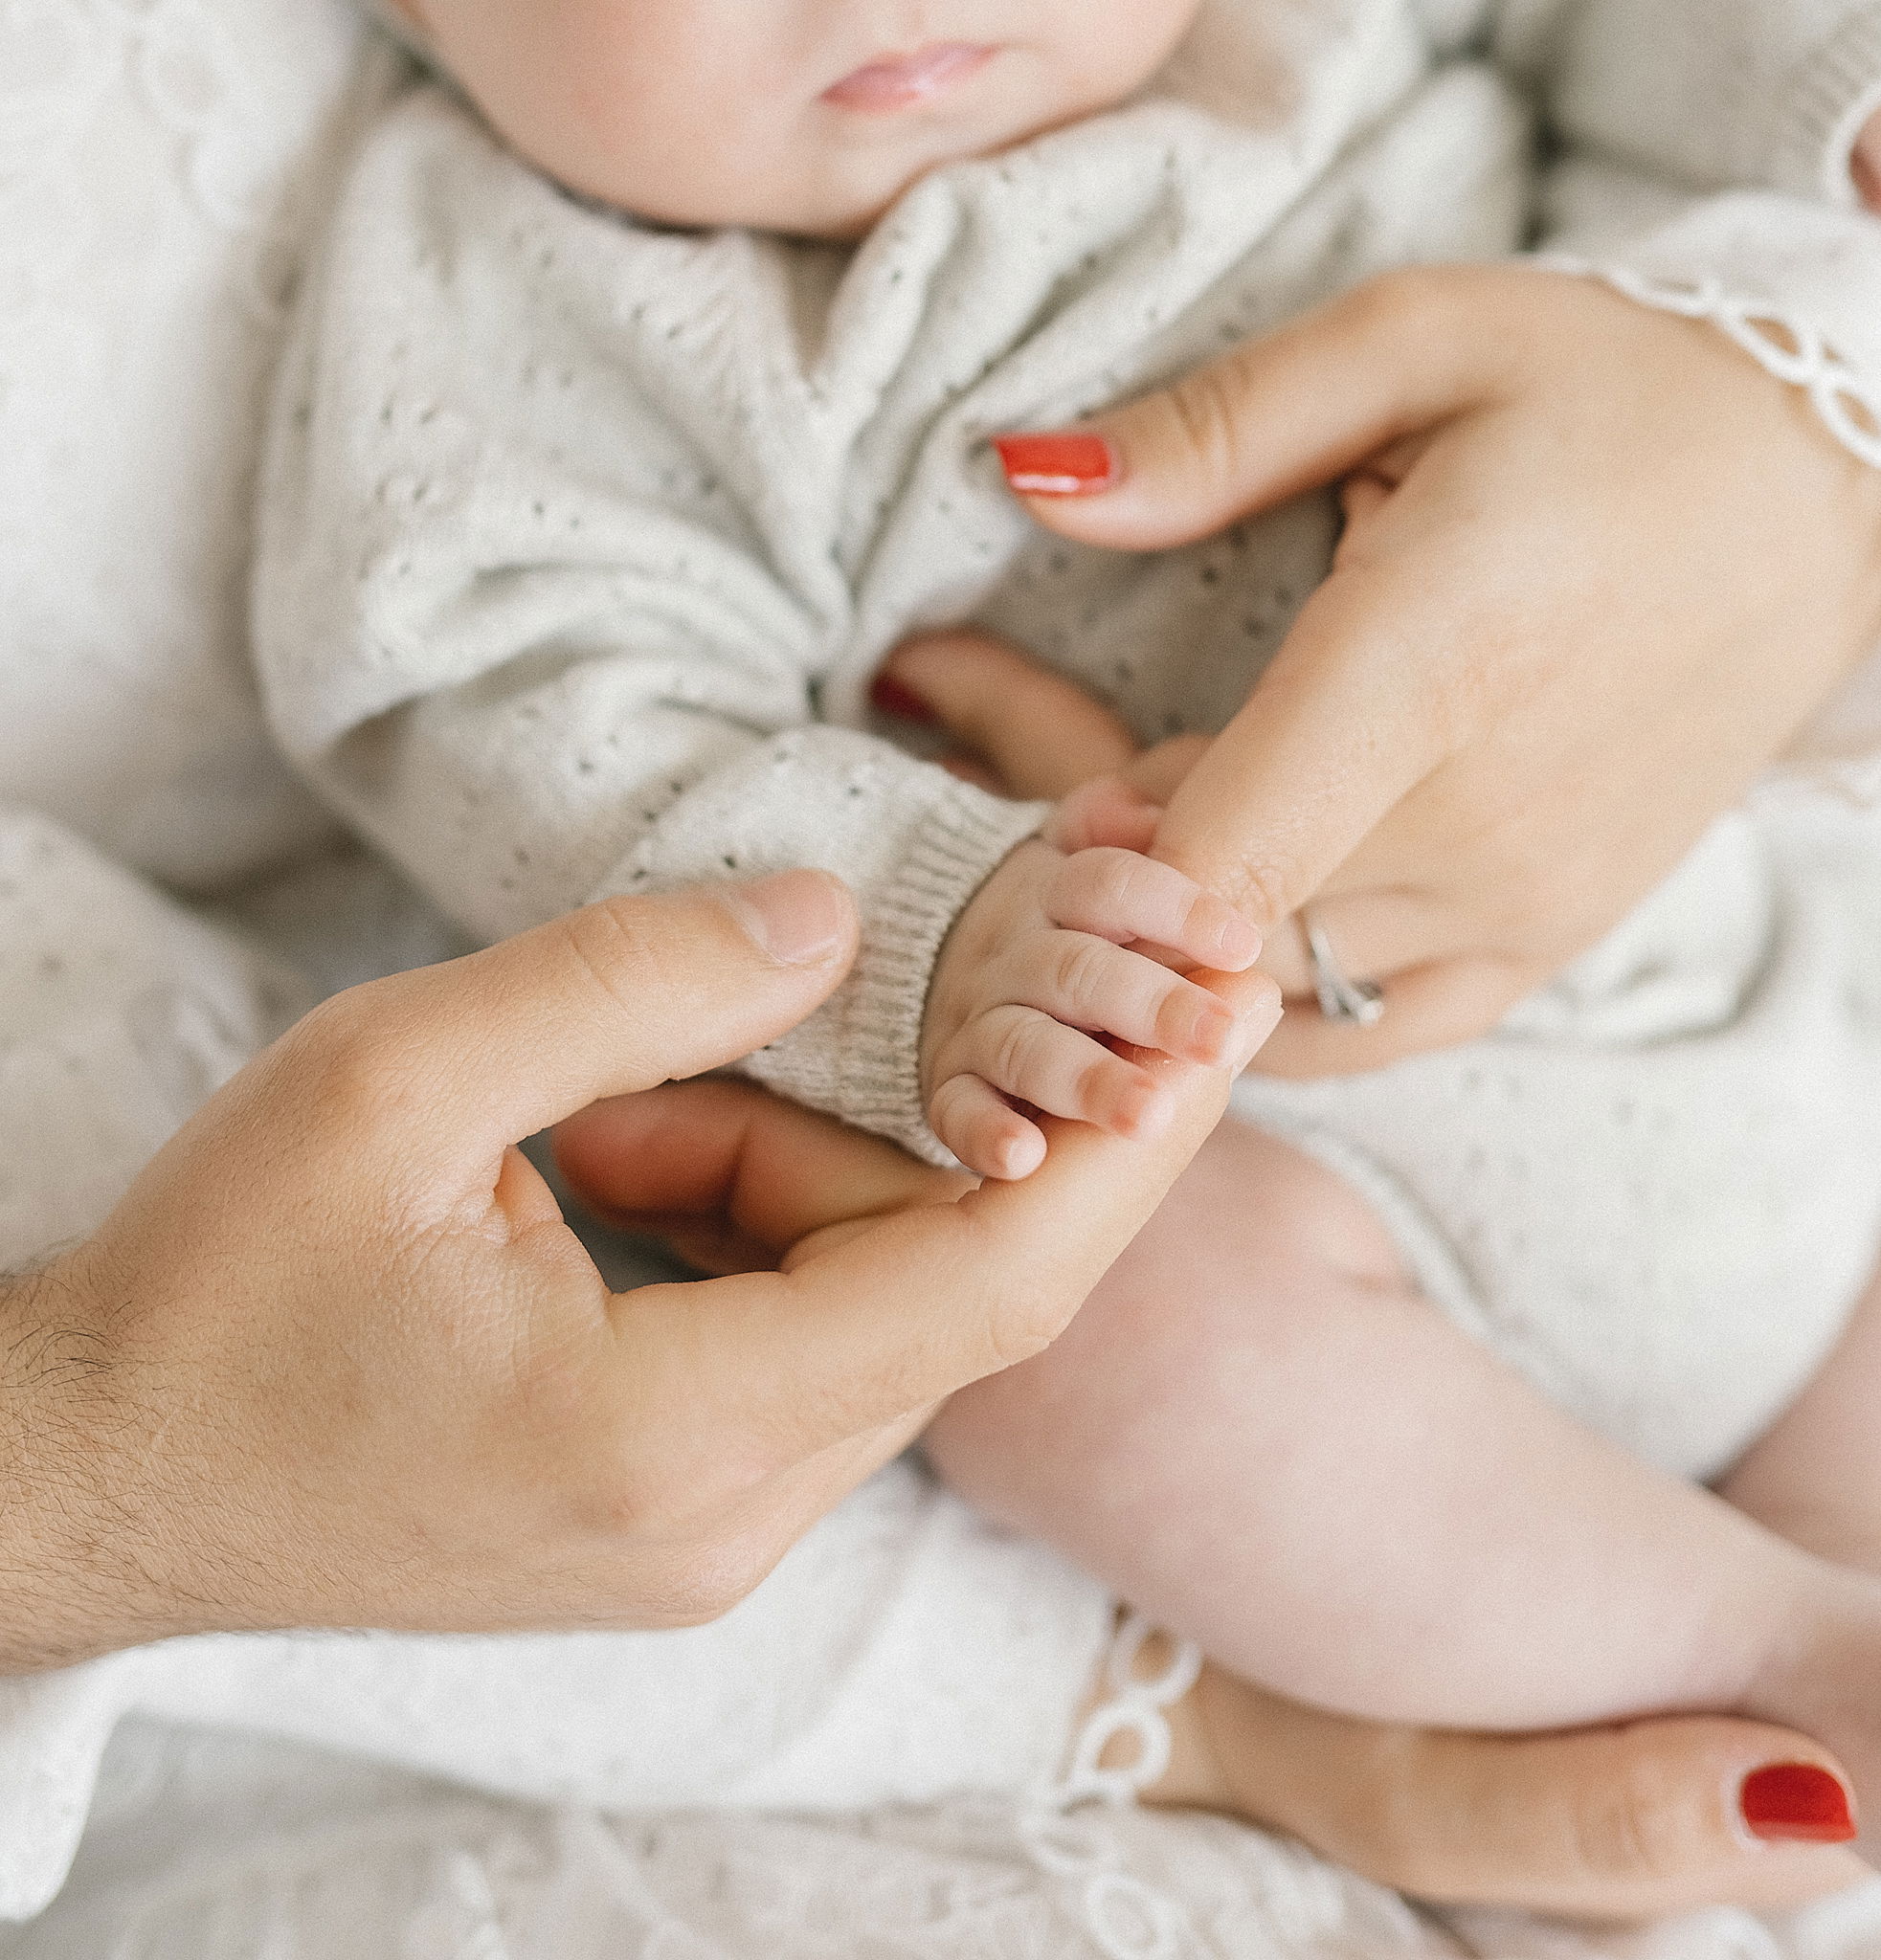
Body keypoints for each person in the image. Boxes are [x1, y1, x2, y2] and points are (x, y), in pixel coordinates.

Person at [4, 0, 1881, 1934]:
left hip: (1731, 969)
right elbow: (522, 711)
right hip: (1297, 1221)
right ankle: (1755, 1633)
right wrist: (943, 922)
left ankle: (1833, 1531)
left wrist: (1822, 133)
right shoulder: (511, 303)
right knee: (1082, 1346)